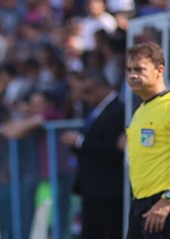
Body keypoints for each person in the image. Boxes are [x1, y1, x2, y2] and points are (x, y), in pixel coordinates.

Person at [60, 69, 125, 239]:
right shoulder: (95, 111)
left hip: (108, 192)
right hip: (92, 191)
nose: (85, 98)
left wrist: (80, 142)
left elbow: (113, 150)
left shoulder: (117, 111)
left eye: (88, 92)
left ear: (101, 88)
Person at [125, 41, 170, 239]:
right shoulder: (140, 110)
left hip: (162, 205)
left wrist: (167, 200)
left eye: (140, 69)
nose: (132, 75)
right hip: (140, 205)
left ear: (160, 70)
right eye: (129, 69)